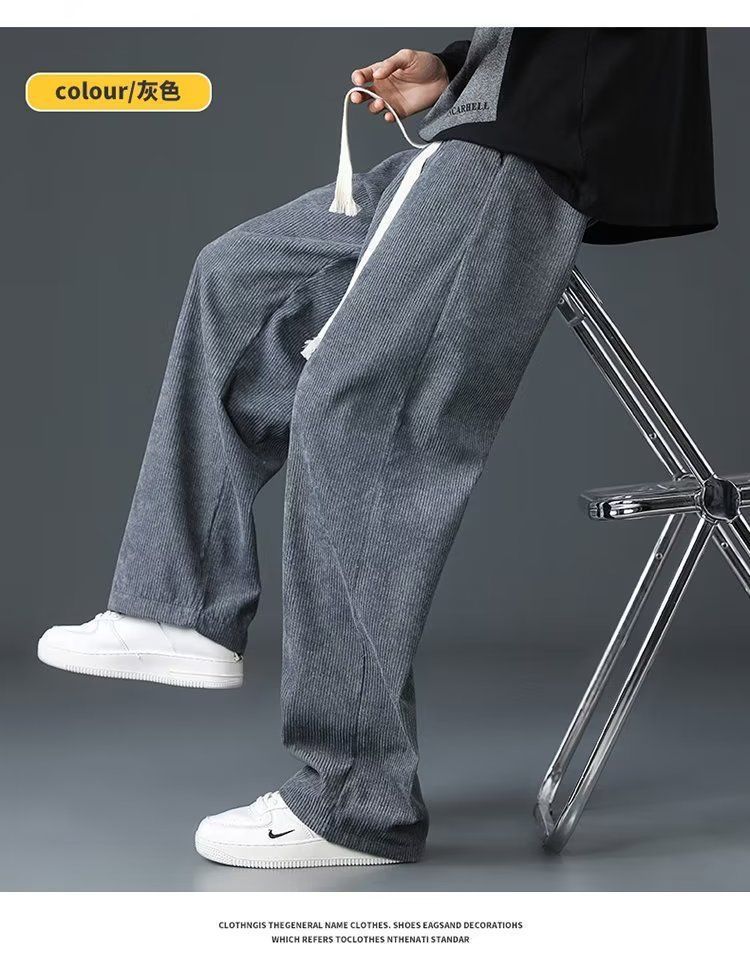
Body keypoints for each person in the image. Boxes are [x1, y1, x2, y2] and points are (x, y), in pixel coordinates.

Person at [38, 29, 717, 869]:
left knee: (360, 411)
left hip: (529, 149)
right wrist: (458, 67)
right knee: (236, 282)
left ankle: (356, 800)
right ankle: (176, 605)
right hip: (479, 125)